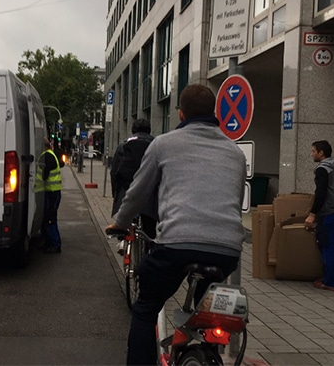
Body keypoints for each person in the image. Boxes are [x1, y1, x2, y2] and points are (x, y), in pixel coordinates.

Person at [105, 84, 246, 365]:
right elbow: (234, 198)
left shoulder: (164, 144)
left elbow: (137, 193)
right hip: (227, 251)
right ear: (215, 113)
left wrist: (119, 222)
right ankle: (206, 353)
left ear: (181, 114)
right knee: (207, 313)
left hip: (177, 245)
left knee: (145, 309)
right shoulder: (235, 153)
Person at [304, 140, 334, 292]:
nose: (312, 154)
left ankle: (330, 281)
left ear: (321, 153)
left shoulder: (322, 169)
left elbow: (321, 193)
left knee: (328, 245)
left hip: (331, 212)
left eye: (314, 151)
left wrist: (312, 214)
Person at [110, 119, 154, 254]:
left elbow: (114, 172)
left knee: (128, 217)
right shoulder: (155, 144)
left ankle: (124, 241)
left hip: (127, 189)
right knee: (149, 229)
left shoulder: (123, 145)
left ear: (133, 130)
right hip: (149, 193)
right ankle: (149, 251)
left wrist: (116, 194)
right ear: (149, 130)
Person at [36, 137, 63, 254]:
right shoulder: (51, 154)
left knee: (50, 219)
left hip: (51, 192)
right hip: (53, 192)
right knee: (48, 218)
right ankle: (48, 242)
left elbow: (44, 176)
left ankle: (55, 244)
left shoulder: (46, 156)